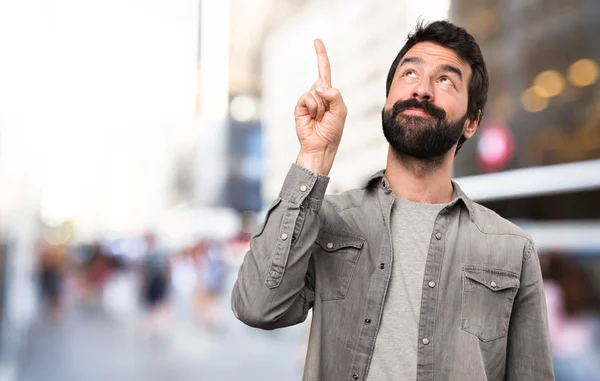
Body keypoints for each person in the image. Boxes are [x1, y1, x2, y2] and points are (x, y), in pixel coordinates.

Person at [231, 20, 554, 381]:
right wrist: (314, 156)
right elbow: (258, 307)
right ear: (387, 101)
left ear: (472, 122)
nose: (422, 90)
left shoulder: (512, 249)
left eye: (446, 79)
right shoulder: (328, 220)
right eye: (409, 73)